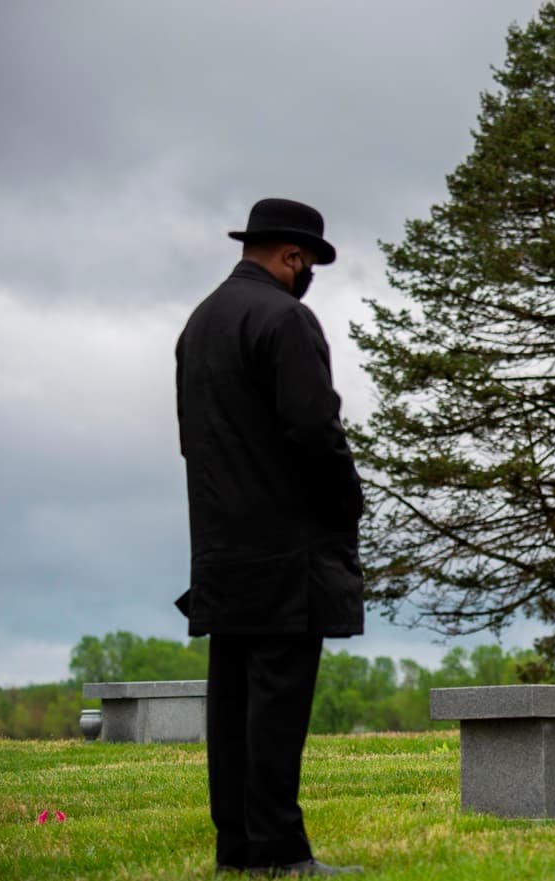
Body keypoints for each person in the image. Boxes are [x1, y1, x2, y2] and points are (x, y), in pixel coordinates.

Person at [175, 198, 365, 876]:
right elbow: (315, 428)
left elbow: (191, 442)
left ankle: (238, 851)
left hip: (221, 543)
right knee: (278, 708)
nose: (307, 273)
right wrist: (348, 502)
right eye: (307, 263)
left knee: (231, 709)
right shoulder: (286, 318)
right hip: (288, 548)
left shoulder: (200, 323)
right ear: (291, 256)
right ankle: (281, 854)